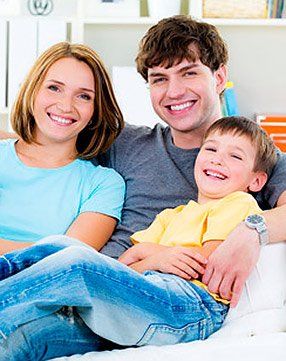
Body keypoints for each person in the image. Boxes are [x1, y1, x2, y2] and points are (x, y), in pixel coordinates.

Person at [0, 14, 286, 359]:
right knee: (12, 336)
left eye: (189, 73)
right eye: (159, 78)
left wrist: (253, 230)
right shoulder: (127, 143)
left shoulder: (254, 157)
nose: (174, 91)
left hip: (158, 300)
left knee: (73, 260)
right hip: (95, 303)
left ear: (220, 76)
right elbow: (49, 131)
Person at [0, 116, 278, 361]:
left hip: (189, 308)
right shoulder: (172, 215)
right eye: (212, 148)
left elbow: (207, 264)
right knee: (30, 327)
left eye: (235, 156)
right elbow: (125, 267)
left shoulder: (238, 203)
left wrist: (153, 255)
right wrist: (157, 257)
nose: (218, 158)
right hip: (144, 301)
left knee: (78, 263)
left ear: (256, 181)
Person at [0, 42, 125, 258]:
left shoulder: (104, 184)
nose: (66, 106)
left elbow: (67, 259)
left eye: (84, 96)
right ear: (32, 91)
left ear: (96, 110)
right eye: (54, 88)